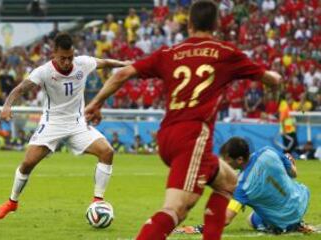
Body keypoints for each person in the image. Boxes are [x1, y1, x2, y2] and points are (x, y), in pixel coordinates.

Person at [85, 1, 282, 239]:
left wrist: (96, 102)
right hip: (192, 138)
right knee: (176, 209)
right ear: (217, 24)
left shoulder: (170, 53)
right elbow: (270, 79)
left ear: (189, 24)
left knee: (229, 183)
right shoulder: (225, 53)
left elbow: (123, 73)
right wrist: (275, 78)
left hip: (168, 135)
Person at [0, 32, 130, 220]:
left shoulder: (83, 63)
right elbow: (20, 89)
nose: (67, 62)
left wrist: (127, 64)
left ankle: (97, 201)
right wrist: (8, 105)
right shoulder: (44, 72)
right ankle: (12, 202)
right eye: (63, 58)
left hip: (77, 124)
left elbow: (105, 62)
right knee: (27, 164)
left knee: (107, 152)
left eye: (70, 57)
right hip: (52, 124)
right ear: (54, 55)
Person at [174, 137, 314, 234]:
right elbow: (293, 173)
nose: (225, 164)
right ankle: (296, 221)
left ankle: (281, 227)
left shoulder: (243, 187)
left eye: (227, 160)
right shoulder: (268, 151)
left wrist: (200, 228)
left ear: (240, 159)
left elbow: (227, 219)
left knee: (251, 219)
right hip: (301, 201)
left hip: (285, 219)